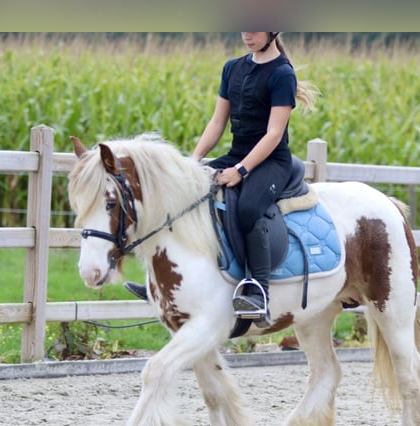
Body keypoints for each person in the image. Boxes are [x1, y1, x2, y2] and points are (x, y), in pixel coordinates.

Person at [125, 32, 318, 325]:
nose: (247, 35)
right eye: (243, 29)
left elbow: (274, 134)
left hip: (270, 161)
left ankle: (258, 292)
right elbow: (217, 122)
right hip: (237, 153)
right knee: (181, 193)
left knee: (249, 208)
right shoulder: (232, 68)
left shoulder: (282, 75)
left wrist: (241, 171)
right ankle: (160, 280)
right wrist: (193, 162)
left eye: (254, 30)